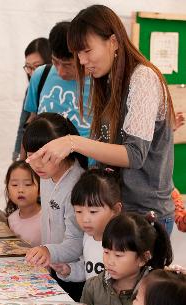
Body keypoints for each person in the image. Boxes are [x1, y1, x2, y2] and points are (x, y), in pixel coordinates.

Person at [26, 5, 175, 234]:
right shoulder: (106, 81)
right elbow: (104, 150)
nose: (82, 60)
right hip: (114, 211)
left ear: (113, 42)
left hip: (144, 218)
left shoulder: (142, 77)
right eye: (78, 53)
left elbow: (134, 155)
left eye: (87, 51)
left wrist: (71, 142)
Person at [81, 212, 173, 305]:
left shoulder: (153, 295)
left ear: (143, 258)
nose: (109, 261)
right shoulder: (93, 286)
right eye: (106, 252)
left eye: (118, 255)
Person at [23, 112, 87, 301]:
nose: (37, 165)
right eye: (31, 158)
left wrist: (48, 251)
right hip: (54, 268)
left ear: (62, 151)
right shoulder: (47, 174)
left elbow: (76, 242)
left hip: (75, 274)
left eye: (44, 157)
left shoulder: (77, 185)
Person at [23, 21, 92, 158]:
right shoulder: (41, 75)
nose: (60, 72)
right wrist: (23, 163)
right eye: (55, 62)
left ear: (81, 56)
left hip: (86, 170)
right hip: (43, 168)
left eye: (68, 65)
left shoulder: (102, 82)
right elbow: (31, 122)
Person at [52, 168, 122, 283]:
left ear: (115, 210)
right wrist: (69, 270)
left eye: (93, 212)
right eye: (78, 211)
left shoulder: (121, 242)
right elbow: (88, 268)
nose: (85, 219)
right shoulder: (88, 237)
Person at [12, 38, 51, 161]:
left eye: (37, 66)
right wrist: (17, 158)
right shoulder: (31, 89)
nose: (32, 73)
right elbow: (23, 126)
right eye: (28, 67)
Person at [5, 160, 41, 246]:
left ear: (41, 189)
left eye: (28, 184)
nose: (20, 190)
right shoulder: (12, 219)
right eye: (14, 185)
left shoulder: (47, 219)